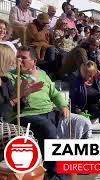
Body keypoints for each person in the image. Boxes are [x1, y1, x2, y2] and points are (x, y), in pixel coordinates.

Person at [7, 46, 91, 179]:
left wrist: (63, 106)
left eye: (23, 58)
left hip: (50, 111)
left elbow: (55, 94)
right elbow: (9, 102)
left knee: (83, 121)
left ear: (34, 61)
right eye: (17, 57)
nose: (19, 60)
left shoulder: (42, 75)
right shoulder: (11, 76)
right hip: (26, 115)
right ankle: (54, 173)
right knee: (47, 128)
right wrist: (23, 91)